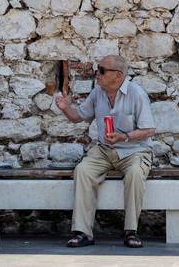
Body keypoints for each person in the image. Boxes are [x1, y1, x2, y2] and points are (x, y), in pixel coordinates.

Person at [56, 55, 155, 248]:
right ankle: (83, 232)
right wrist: (65, 108)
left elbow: (149, 130)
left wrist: (123, 137)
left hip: (133, 150)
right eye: (97, 70)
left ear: (118, 76)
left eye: (101, 70)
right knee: (83, 171)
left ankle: (131, 231)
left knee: (135, 173)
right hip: (104, 150)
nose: (96, 75)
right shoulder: (97, 93)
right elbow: (78, 117)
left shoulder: (137, 94)